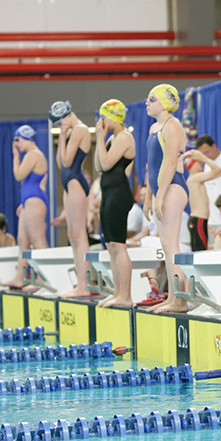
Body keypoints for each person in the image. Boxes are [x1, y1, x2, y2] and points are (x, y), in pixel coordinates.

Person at [143, 83, 190, 313]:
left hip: (172, 187)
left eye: (152, 99)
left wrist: (160, 195)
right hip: (161, 189)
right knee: (166, 245)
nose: (147, 102)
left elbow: (170, 162)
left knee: (171, 245)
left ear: (165, 102)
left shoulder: (173, 125)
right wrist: (148, 196)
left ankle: (180, 300)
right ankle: (173, 298)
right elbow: (151, 166)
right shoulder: (155, 127)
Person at [95, 99, 137, 308]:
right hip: (109, 194)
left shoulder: (124, 137)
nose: (101, 120)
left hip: (119, 195)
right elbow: (98, 166)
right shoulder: (112, 139)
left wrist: (100, 138)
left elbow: (106, 163)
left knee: (119, 246)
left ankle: (126, 296)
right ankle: (117, 292)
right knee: (111, 246)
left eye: (104, 116)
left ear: (114, 117)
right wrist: (100, 140)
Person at [51, 100, 93, 298]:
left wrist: (65, 134)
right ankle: (79, 283)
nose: (60, 125)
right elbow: (60, 162)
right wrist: (62, 136)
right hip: (68, 182)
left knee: (79, 235)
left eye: (60, 121)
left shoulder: (80, 129)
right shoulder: (69, 133)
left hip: (76, 182)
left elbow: (68, 161)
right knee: (71, 235)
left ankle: (83, 285)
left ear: (67, 115)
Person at [4, 125, 50, 289]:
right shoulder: (32, 155)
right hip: (28, 202)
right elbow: (29, 183)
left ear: (25, 138)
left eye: (17, 141)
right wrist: (22, 204)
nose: (16, 145)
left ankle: (42, 278)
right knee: (23, 241)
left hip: (34, 201)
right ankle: (19, 278)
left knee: (38, 241)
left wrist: (15, 156)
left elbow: (18, 175)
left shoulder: (34, 154)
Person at [196, 134, 221, 234]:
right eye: (203, 154)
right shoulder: (207, 165)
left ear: (214, 146)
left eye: (207, 152)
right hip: (211, 218)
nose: (206, 156)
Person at [184, 149, 221, 251]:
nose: (202, 163)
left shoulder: (196, 178)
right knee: (200, 253)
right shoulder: (195, 178)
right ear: (190, 164)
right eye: (198, 161)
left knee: (200, 251)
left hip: (199, 220)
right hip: (198, 220)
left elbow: (219, 173)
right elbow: (217, 170)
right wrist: (204, 158)